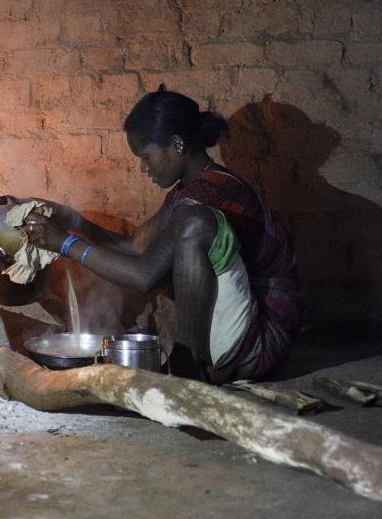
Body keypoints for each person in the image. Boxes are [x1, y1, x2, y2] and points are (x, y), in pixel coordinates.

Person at [17, 87, 303, 383]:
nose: (143, 168)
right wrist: (72, 220)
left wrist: (65, 244)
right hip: (241, 328)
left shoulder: (213, 191)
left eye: (146, 156)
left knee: (195, 224)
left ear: (177, 144)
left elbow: (145, 275)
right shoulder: (185, 192)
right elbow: (135, 247)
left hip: (263, 336)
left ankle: (187, 368)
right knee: (183, 231)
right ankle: (189, 362)